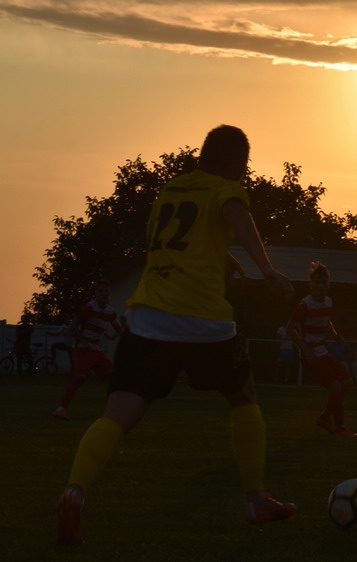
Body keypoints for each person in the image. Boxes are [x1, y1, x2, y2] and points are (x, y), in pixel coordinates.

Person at [55, 125, 297, 547]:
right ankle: (256, 499)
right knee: (243, 395)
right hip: (201, 319)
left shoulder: (170, 191)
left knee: (118, 413)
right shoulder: (226, 189)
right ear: (236, 162)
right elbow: (236, 215)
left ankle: (74, 492)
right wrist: (266, 268)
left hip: (148, 316)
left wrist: (225, 259)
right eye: (243, 166)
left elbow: (178, 241)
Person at [286, 261, 357, 437]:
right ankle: (339, 427)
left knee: (347, 383)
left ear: (328, 284)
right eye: (317, 282)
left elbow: (327, 322)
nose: (320, 286)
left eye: (324, 282)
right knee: (335, 387)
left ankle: (325, 418)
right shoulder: (304, 305)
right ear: (311, 285)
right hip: (312, 355)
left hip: (323, 351)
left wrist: (335, 334)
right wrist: (305, 349)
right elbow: (289, 329)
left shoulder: (328, 302)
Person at [52, 280, 125, 420]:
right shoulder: (89, 308)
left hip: (95, 349)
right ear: (96, 293)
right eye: (101, 291)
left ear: (109, 293)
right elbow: (74, 326)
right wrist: (84, 341)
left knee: (113, 376)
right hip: (83, 348)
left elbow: (118, 329)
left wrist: (130, 341)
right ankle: (61, 409)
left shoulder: (110, 311)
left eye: (106, 291)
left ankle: (115, 410)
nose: (104, 294)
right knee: (80, 378)